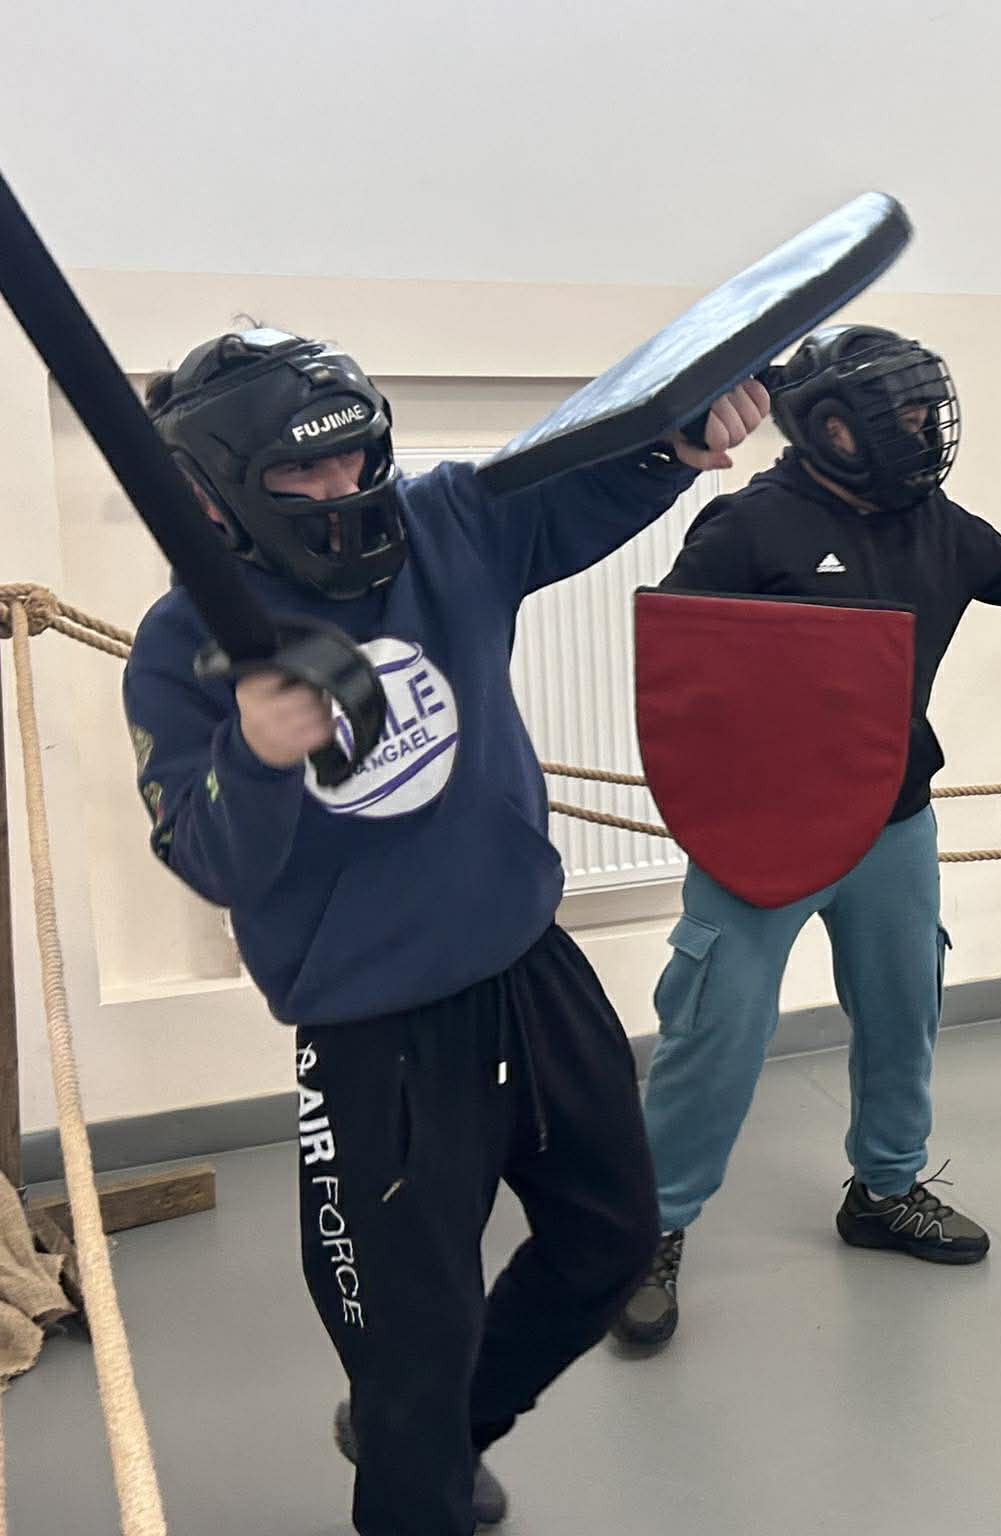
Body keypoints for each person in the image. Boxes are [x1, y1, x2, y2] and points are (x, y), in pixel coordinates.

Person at [121, 326, 767, 1535]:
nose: (341, 490)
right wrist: (255, 754)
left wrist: (678, 444)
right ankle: (414, 1452)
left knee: (610, 1243)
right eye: (298, 473)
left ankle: (441, 1427)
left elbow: (575, 495)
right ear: (212, 495)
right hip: (375, 1035)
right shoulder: (181, 644)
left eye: (356, 457)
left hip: (530, 963)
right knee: (406, 1341)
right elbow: (206, 859)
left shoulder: (444, 524)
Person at [612, 324, 1001, 1350]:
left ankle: (885, 1191)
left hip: (891, 822)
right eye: (900, 416)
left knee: (904, 1015)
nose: (921, 432)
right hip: (760, 834)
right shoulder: (748, 528)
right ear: (834, 429)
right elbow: (681, 677)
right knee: (716, 1031)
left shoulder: (930, 523)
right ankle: (649, 1231)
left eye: (923, 412)